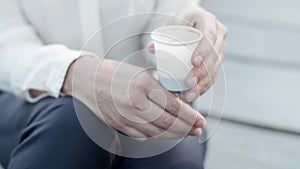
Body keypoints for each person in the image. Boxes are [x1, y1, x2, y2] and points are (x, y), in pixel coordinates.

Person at [0, 0, 227, 168]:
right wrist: (75, 72)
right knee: (72, 126)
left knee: (172, 149)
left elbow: (163, 15)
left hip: (140, 95)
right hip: (22, 95)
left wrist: (184, 24)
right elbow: (7, 44)